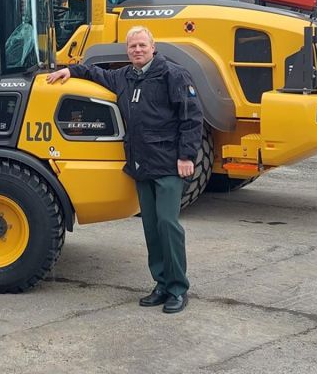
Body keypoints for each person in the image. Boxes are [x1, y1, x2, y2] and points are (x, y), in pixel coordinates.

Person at [46, 26, 202, 314]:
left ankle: (178, 288)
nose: (138, 50)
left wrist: (186, 155)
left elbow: (191, 117)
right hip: (141, 164)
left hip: (168, 164)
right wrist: (71, 71)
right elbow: (96, 73)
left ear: (153, 47)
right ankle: (161, 283)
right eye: (133, 47)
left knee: (168, 225)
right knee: (152, 229)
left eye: (142, 45)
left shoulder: (173, 75)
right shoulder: (124, 76)